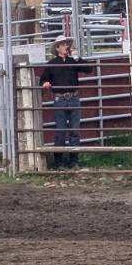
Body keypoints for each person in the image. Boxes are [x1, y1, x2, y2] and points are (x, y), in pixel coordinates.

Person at [40, 37, 91, 170]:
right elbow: (43, 79)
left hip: (73, 98)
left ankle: (74, 161)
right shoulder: (51, 63)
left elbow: (88, 69)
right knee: (60, 131)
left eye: (67, 44)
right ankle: (59, 162)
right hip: (60, 98)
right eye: (63, 45)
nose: (66, 46)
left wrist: (77, 57)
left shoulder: (72, 61)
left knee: (74, 130)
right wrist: (45, 83)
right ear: (57, 48)